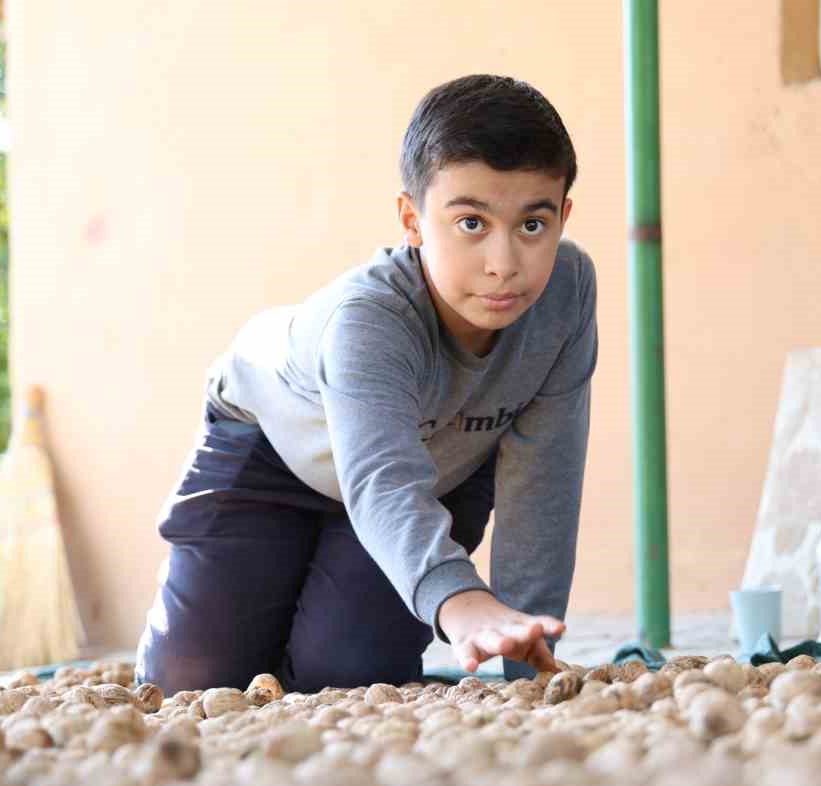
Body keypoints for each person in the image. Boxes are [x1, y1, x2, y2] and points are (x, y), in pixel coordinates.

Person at [135, 74, 596, 695]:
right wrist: (459, 600)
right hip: (276, 448)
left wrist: (528, 663)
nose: (504, 263)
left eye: (533, 226)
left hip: (435, 468)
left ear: (563, 216)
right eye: (470, 224)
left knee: (348, 677)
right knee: (192, 684)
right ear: (412, 219)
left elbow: (545, 479)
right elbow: (379, 478)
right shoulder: (370, 319)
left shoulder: (567, 292)